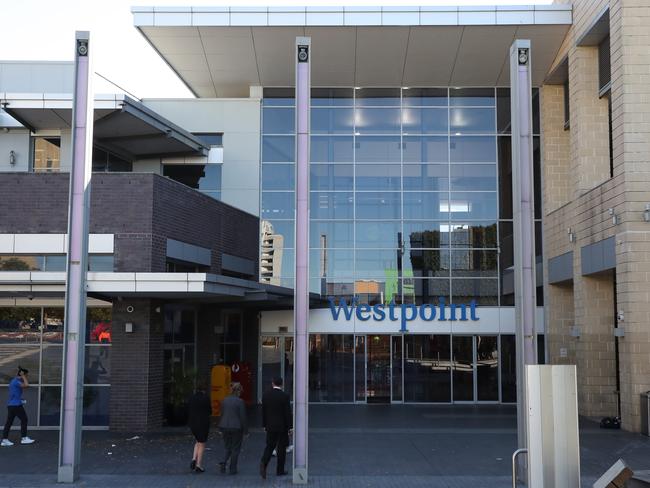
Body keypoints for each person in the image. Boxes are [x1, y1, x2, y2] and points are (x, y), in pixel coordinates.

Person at [260, 377, 292, 479]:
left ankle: (264, 463)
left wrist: (264, 425)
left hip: (270, 426)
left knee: (269, 446)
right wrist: (290, 427)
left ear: (272, 383)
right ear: (281, 384)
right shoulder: (285, 396)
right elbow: (287, 413)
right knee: (281, 448)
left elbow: (263, 412)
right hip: (282, 427)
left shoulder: (266, 395)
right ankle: (280, 470)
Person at [218, 382, 248, 475]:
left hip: (224, 426)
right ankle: (233, 469)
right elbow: (243, 417)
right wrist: (246, 431)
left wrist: (220, 428)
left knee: (227, 446)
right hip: (236, 427)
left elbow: (222, 414)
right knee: (235, 448)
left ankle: (223, 461)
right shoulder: (240, 402)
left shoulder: (224, 400)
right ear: (239, 391)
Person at [1, 366, 35, 446]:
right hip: (16, 405)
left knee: (9, 423)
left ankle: (4, 440)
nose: (27, 377)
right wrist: (23, 376)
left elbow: (15, 393)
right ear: (22, 374)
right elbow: (27, 385)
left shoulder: (14, 381)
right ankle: (24, 438)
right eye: (27, 375)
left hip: (12, 405)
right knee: (24, 419)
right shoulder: (16, 381)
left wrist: (21, 399)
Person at [188, 380, 212, 473]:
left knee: (198, 440)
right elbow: (210, 411)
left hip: (193, 423)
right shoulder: (206, 398)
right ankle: (198, 465)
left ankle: (194, 458)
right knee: (202, 443)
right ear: (205, 389)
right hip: (203, 423)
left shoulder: (192, 397)